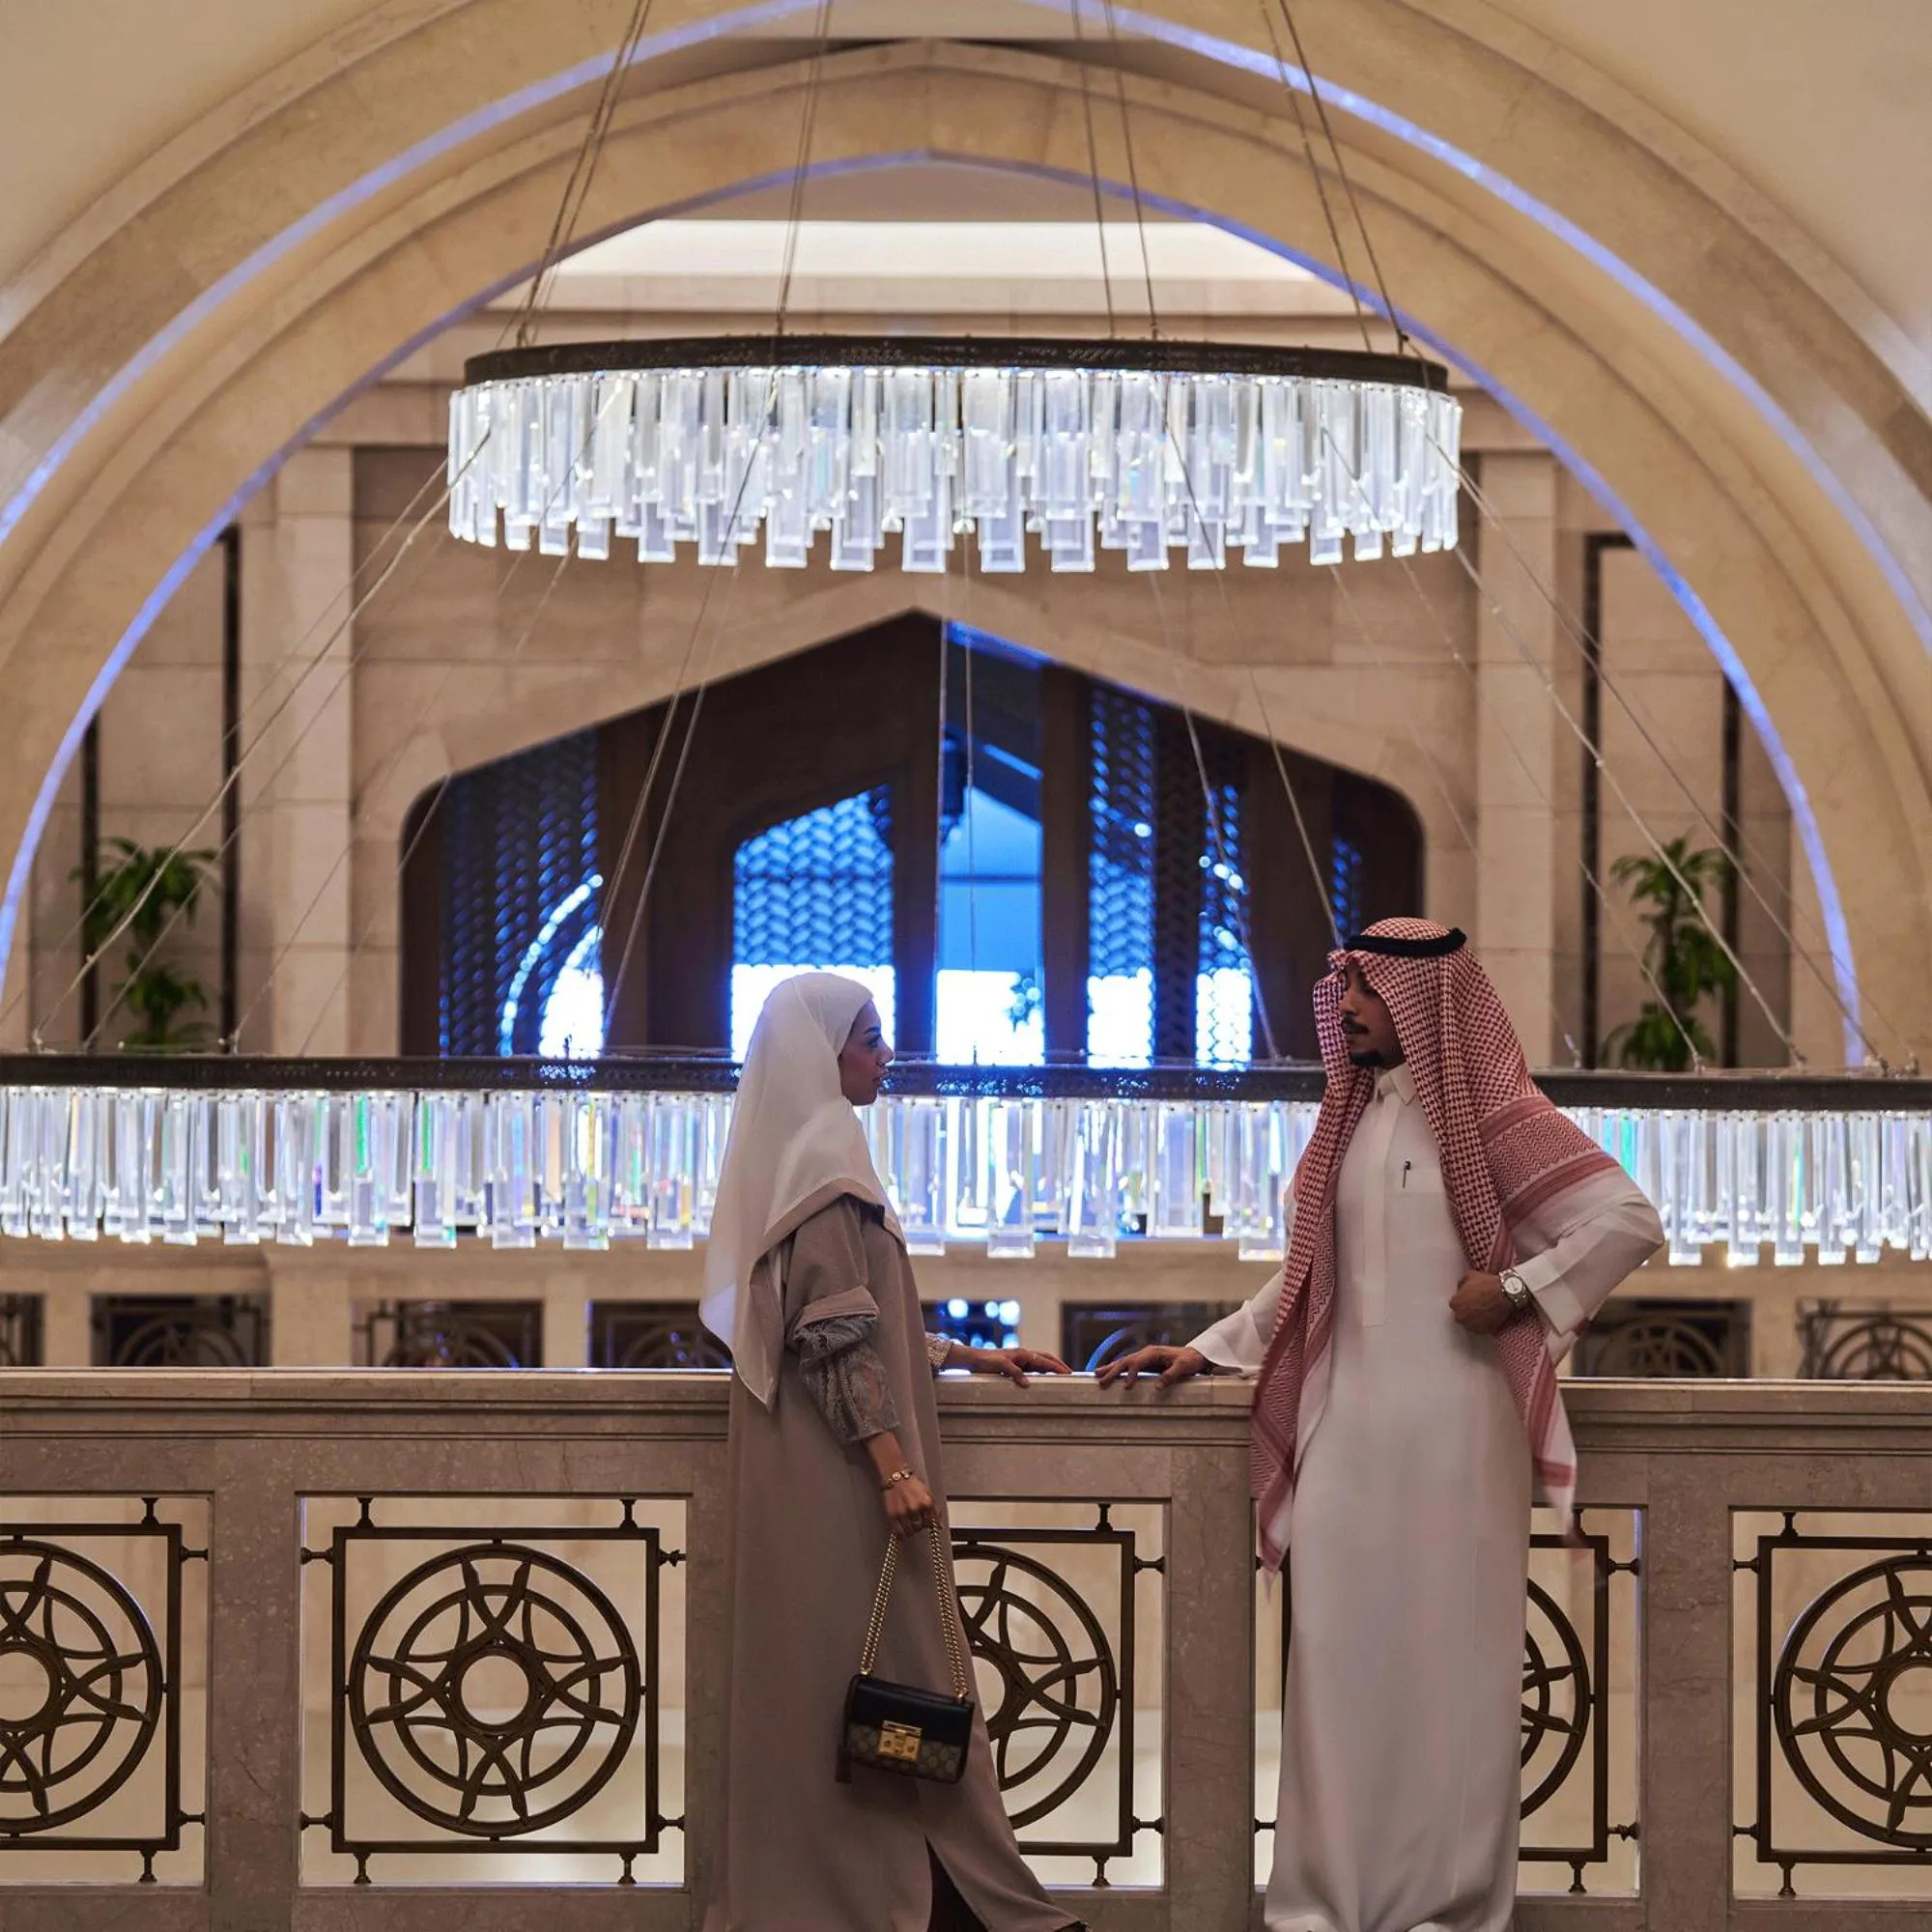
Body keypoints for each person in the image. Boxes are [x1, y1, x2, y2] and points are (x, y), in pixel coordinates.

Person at [1100, 919, 1663, 1932]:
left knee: (1450, 1667)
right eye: (1342, 985)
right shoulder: (1351, 1120)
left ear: (1420, 1000)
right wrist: (1209, 1345)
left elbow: (1625, 1218)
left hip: (1457, 1432)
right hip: (1346, 1430)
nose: (1346, 1003)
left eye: (1363, 987)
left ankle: (1444, 1908)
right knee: (1331, 1659)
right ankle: (1322, 1904)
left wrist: (1518, 1286)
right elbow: (1311, 1274)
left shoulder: (1494, 1114)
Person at [700, 971, 1084, 1932]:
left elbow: (862, 1320)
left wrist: (964, 1353)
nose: (884, 1054)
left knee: (838, 1675)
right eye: (869, 1037)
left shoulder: (801, 1156)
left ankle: (879, 1888)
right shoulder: (828, 1160)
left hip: (812, 1469)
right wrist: (894, 1467)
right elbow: (831, 1336)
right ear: (819, 1055)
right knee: (890, 1668)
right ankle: (905, 1897)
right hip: (845, 1478)